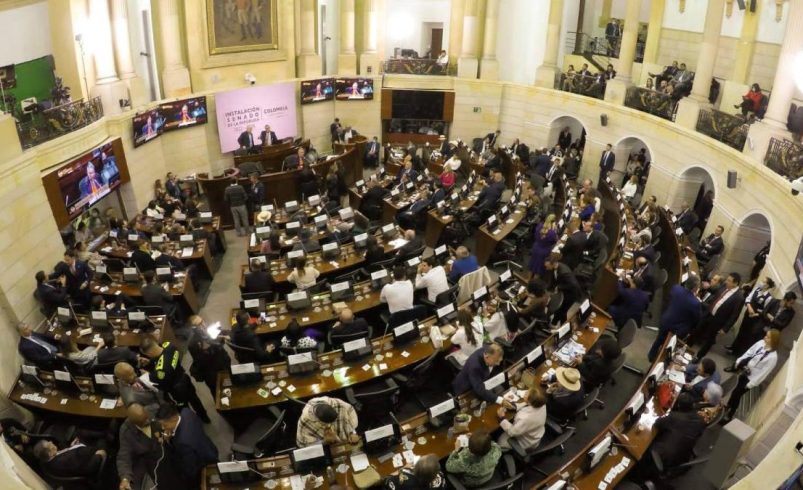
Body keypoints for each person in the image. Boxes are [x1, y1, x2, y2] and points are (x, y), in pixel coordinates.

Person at [140, 338, 210, 424]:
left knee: (183, 408)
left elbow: (157, 381)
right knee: (194, 399)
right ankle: (205, 417)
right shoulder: (169, 345)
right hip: (184, 377)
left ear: (149, 353)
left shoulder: (160, 371)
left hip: (177, 390)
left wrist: (147, 373)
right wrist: (150, 362)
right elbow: (161, 357)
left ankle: (192, 424)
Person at [723, 329, 780, 422]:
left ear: (773, 341)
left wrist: (751, 384)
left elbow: (764, 373)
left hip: (751, 379)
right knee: (735, 391)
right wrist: (739, 360)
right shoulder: (761, 343)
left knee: (737, 394)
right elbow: (749, 352)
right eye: (766, 335)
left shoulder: (773, 357)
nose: (765, 337)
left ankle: (730, 413)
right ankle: (728, 406)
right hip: (744, 371)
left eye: (768, 337)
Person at [156, 403, 217, 488]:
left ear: (173, 418)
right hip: (209, 448)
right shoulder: (186, 412)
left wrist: (168, 441)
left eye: (165, 425)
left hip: (203, 463)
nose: (163, 428)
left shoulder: (182, 442)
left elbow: (190, 469)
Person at [117, 403, 172, 490]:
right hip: (143, 459)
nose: (148, 421)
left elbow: (169, 420)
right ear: (134, 422)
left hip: (162, 452)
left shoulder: (154, 410)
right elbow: (124, 457)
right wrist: (125, 478)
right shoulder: (126, 431)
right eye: (144, 421)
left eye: (147, 417)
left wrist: (168, 433)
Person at [647, 393, 706, 472]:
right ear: (693, 405)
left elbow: (657, 423)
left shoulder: (674, 417)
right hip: (684, 456)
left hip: (666, 458)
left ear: (678, 405)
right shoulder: (701, 420)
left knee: (647, 444)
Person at [692, 272, 745, 361]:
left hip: (718, 321)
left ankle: (698, 356)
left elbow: (734, 315)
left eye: (729, 281)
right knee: (697, 329)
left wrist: (725, 328)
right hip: (708, 313)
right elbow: (715, 293)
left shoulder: (739, 297)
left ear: (735, 283)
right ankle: (687, 346)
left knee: (709, 340)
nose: (726, 282)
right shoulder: (724, 286)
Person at [648, 276, 701, 361]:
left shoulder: (675, 288)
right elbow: (696, 319)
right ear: (695, 288)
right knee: (668, 346)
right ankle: (661, 360)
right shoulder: (695, 303)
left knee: (659, 339)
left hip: (666, 320)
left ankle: (651, 355)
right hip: (677, 329)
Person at [729, 277, 776, 356]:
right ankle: (734, 347)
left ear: (767, 285)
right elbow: (748, 298)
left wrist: (755, 314)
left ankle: (738, 352)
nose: (761, 283)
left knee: (747, 335)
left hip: (755, 319)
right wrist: (749, 307)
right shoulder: (757, 290)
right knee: (741, 330)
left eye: (763, 282)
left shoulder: (768, 297)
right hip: (748, 314)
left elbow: (764, 311)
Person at [187, 315, 231, 396]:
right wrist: (204, 351)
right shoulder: (193, 344)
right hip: (211, 373)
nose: (203, 325)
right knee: (217, 393)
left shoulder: (208, 330)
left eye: (202, 321)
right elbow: (198, 362)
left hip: (223, 363)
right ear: (194, 328)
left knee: (229, 383)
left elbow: (222, 334)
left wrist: (223, 336)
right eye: (199, 324)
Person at [496, 387, 548, 451]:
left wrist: (502, 417)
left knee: (500, 441)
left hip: (527, 441)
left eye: (526, 393)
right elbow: (527, 406)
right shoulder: (541, 403)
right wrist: (514, 406)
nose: (525, 392)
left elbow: (512, 432)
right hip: (534, 432)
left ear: (530, 401)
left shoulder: (526, 418)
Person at [33, 438, 106, 478]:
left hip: (77, 454)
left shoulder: (46, 461)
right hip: (91, 455)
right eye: (49, 444)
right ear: (50, 453)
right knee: (102, 441)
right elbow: (89, 469)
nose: (51, 441)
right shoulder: (67, 460)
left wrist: (72, 447)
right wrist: (99, 455)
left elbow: (61, 454)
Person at [543, 253, 584, 324]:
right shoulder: (555, 267)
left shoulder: (564, 272)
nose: (546, 268)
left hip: (572, 294)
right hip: (566, 290)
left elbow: (573, 285)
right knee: (562, 311)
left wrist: (559, 287)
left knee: (561, 311)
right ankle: (558, 324)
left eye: (547, 266)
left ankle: (555, 324)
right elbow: (553, 280)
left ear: (552, 264)